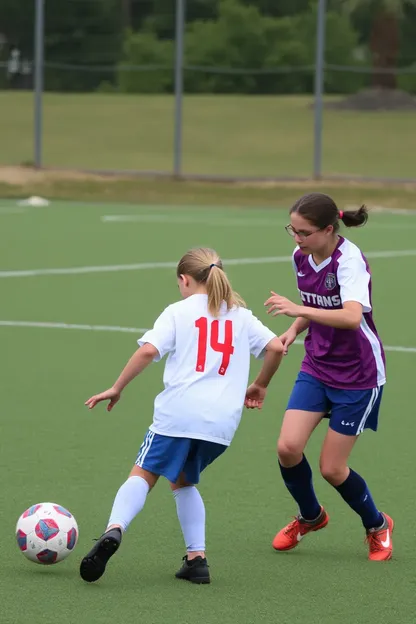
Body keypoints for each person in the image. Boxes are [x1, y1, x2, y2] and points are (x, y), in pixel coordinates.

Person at [80, 247, 284, 584]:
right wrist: (260, 385)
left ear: (185, 280)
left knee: (143, 474)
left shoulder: (178, 312)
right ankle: (196, 560)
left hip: (179, 415)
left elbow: (149, 350)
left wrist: (117, 388)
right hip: (221, 424)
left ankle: (114, 529)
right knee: (183, 480)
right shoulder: (240, 316)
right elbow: (276, 347)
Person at [264, 193, 392, 561]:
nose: (296, 238)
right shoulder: (301, 257)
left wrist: (296, 308)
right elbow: (317, 304)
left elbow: (351, 316)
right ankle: (311, 516)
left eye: (303, 232)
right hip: (317, 366)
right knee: (288, 448)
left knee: (332, 468)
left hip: (358, 374)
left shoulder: (349, 262)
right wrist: (293, 330)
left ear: (328, 229)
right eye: (293, 230)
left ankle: (377, 524)